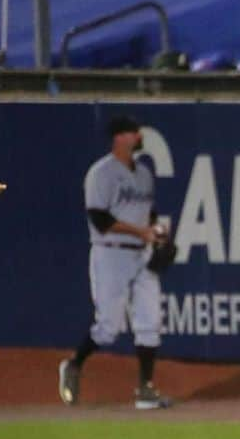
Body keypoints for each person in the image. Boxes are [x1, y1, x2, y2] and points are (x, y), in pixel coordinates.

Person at [58, 115, 171, 410]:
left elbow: (149, 211)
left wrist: (156, 232)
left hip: (141, 253)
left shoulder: (144, 173)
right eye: (133, 132)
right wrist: (142, 231)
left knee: (150, 322)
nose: (138, 135)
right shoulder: (101, 173)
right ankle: (74, 364)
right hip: (110, 254)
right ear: (120, 137)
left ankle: (145, 389)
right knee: (108, 326)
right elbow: (100, 219)